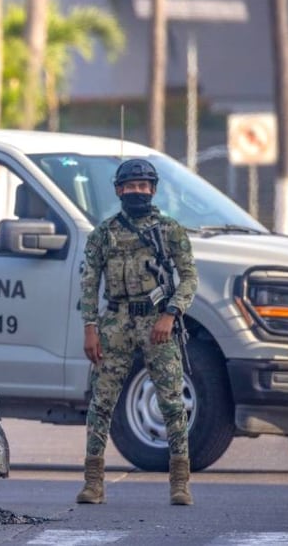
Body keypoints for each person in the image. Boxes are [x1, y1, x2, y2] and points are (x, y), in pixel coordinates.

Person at [76, 158, 199, 506]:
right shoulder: (104, 232)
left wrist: (172, 314)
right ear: (118, 190)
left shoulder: (169, 230)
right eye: (130, 186)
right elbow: (89, 283)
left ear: (153, 190)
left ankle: (179, 483)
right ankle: (93, 482)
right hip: (114, 321)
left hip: (157, 322)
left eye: (143, 186)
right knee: (101, 402)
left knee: (172, 403)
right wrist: (90, 328)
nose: (137, 192)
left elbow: (189, 277)